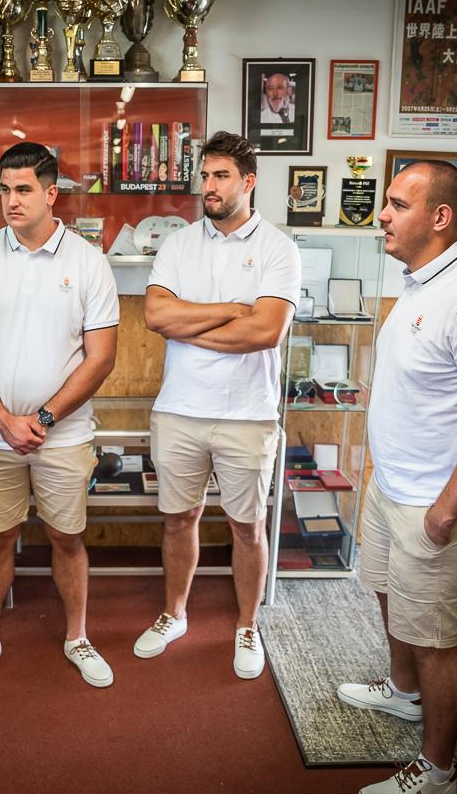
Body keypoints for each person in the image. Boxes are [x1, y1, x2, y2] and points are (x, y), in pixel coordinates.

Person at [339, 161, 457, 794]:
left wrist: (446, 511)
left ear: (440, 217)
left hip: (436, 502)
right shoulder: (422, 280)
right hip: (393, 486)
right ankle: (403, 692)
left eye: (397, 204)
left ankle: (439, 770)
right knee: (390, 597)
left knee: (435, 640)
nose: (382, 215)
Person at [0, 141, 119, 691]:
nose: (11, 201)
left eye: (23, 190)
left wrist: (42, 419)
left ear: (51, 194)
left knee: (66, 538)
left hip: (63, 436)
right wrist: (3, 419)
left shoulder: (88, 262)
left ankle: (77, 637)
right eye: (5, 189)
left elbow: (101, 358)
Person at [140, 131, 301, 680]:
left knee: (247, 527)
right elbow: (157, 317)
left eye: (221, 176)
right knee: (178, 520)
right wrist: (233, 309)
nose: (208, 186)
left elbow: (265, 332)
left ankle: (247, 625)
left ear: (248, 181)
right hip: (179, 409)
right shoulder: (179, 244)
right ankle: (174, 614)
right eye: (205, 175)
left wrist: (190, 325)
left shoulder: (278, 248)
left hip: (248, 415)